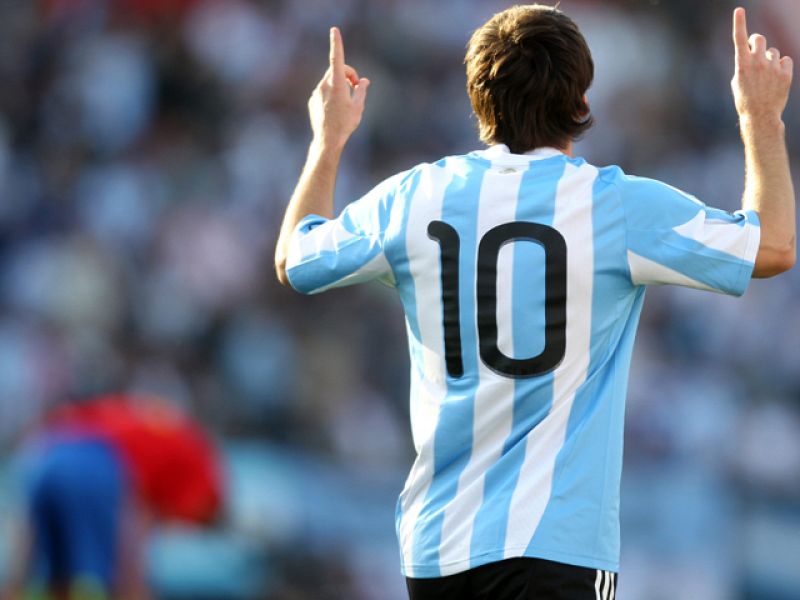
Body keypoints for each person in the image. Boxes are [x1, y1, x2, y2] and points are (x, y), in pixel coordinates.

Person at [274, 5, 794, 599]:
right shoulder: (613, 204)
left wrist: (329, 140)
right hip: (555, 545)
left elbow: (295, 258)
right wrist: (760, 117)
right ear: (581, 102)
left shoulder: (416, 195)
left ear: (478, 100)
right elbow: (773, 246)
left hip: (438, 546)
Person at [2, 394, 223, 600]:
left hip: (48, 455)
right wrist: (139, 585)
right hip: (95, 464)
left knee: (51, 576)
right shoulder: (204, 482)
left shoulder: (168, 429)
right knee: (109, 579)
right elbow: (139, 526)